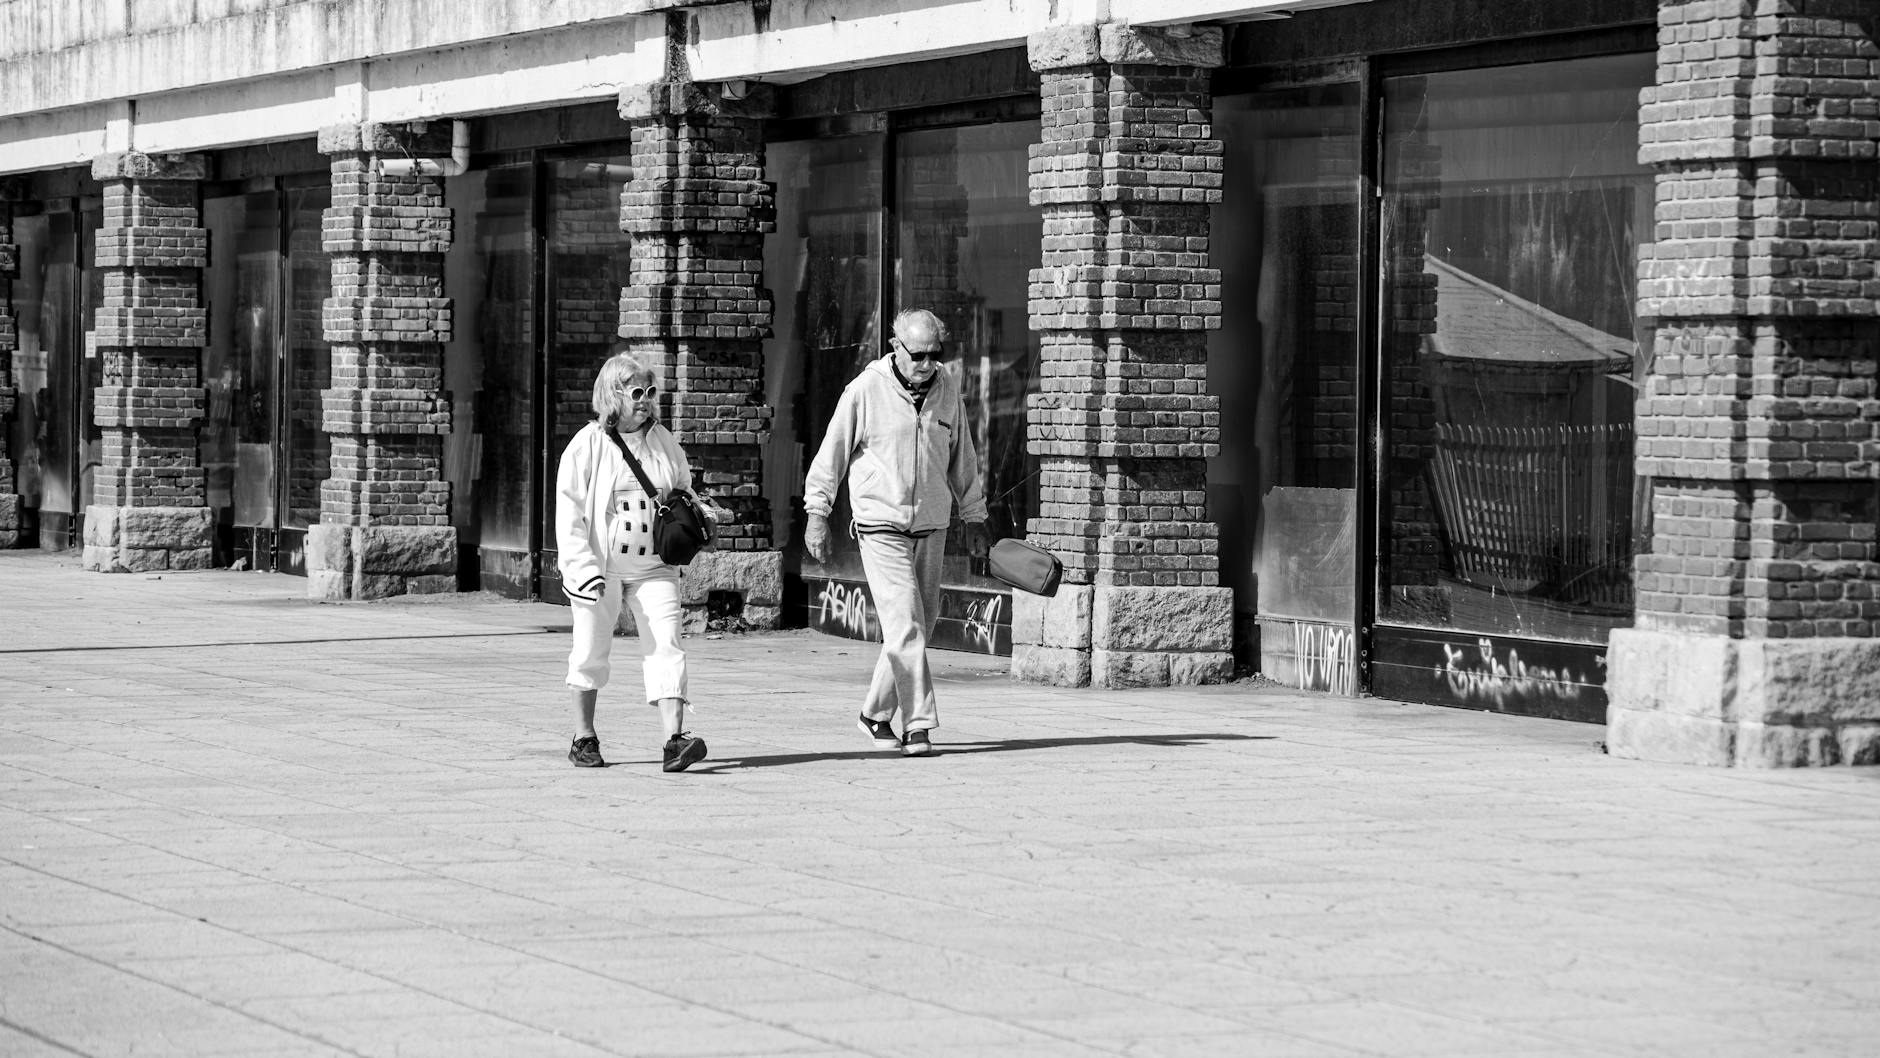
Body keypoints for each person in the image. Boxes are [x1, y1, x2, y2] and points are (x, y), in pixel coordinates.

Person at [803, 308, 990, 757]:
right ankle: (919, 724)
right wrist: (817, 512)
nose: (927, 364)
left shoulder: (947, 390)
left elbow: (961, 455)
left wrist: (976, 515)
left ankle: (873, 714)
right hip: (879, 522)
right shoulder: (865, 390)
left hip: (931, 523)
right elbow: (832, 454)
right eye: (918, 355)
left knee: (914, 628)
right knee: (906, 624)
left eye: (934, 354)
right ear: (895, 347)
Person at [554, 350, 726, 772]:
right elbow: (569, 511)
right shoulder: (587, 445)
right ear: (613, 395)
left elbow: (682, 486)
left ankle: (674, 740)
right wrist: (582, 568)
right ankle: (584, 737)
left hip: (655, 567)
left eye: (650, 391)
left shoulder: (662, 439)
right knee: (590, 650)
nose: (646, 400)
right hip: (603, 568)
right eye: (637, 392)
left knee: (668, 645)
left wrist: (699, 516)